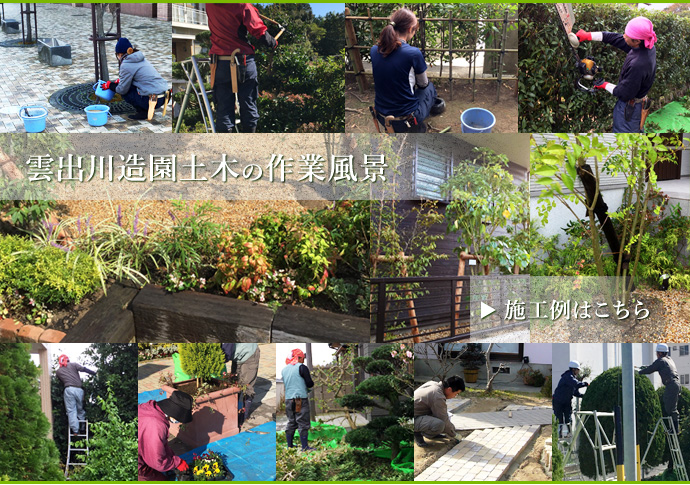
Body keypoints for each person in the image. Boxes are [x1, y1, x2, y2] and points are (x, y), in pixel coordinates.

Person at [575, 16, 657, 133]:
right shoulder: (647, 46)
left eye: (627, 35)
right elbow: (615, 38)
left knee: (624, 140)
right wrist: (588, 35)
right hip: (636, 105)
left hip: (629, 108)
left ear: (637, 40)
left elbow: (624, 93)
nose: (623, 36)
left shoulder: (638, 65)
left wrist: (604, 85)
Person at [205, 3, 278, 133]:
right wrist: (273, 42)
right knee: (248, 104)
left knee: (224, 109)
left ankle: (225, 149)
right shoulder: (242, 4)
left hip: (219, 64)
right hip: (242, 62)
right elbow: (260, 33)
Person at [370, 8, 443, 133]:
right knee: (430, 88)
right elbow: (423, 84)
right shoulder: (413, 53)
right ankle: (417, 126)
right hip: (404, 121)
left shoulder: (374, 49)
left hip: (382, 116)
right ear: (410, 29)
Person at [103, 37, 169, 120]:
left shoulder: (126, 64)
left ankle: (143, 112)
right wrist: (120, 81)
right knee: (128, 87)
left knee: (125, 92)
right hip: (164, 97)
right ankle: (147, 109)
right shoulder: (141, 58)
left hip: (151, 99)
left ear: (119, 54)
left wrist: (110, 85)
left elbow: (122, 89)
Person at [138, 390, 194, 480]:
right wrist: (176, 463)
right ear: (174, 415)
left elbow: (160, 445)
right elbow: (156, 461)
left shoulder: (149, 407)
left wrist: (173, 458)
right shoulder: (156, 426)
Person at [639, 343, 681, 434]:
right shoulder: (669, 359)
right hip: (675, 384)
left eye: (657, 353)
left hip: (671, 385)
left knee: (670, 407)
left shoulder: (661, 361)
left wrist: (639, 372)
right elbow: (653, 367)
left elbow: (651, 369)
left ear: (660, 353)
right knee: (669, 404)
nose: (656, 355)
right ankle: (673, 428)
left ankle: (674, 429)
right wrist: (644, 368)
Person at [413, 375, 465, 447]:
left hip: (416, 413)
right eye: (456, 394)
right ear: (449, 389)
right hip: (410, 419)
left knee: (444, 416)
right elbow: (443, 419)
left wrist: (451, 428)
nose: (455, 396)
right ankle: (417, 433)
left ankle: (426, 431)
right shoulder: (437, 396)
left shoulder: (433, 383)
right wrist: (455, 434)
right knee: (439, 424)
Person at [281, 348, 315, 451]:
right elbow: (309, 383)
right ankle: (304, 447)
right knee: (303, 422)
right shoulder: (302, 368)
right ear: (298, 358)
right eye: (303, 358)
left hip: (288, 399)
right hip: (299, 400)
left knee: (292, 422)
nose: (303, 360)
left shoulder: (284, 370)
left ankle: (290, 446)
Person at [55, 354, 96, 436]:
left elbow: (60, 381)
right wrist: (94, 373)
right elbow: (83, 369)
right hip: (79, 390)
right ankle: (82, 427)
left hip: (69, 389)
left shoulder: (59, 371)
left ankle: (75, 431)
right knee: (80, 409)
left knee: (71, 410)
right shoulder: (74, 365)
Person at [221, 343, 260, 424]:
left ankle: (243, 417)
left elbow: (225, 354)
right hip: (237, 355)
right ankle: (234, 411)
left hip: (249, 353)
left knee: (247, 386)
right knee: (235, 383)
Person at [553, 360, 589, 438]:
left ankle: (568, 434)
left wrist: (584, 396)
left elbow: (575, 393)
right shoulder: (568, 376)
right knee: (560, 418)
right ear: (573, 369)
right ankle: (559, 435)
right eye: (578, 370)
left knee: (568, 418)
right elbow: (576, 384)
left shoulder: (573, 378)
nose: (578, 372)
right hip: (558, 401)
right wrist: (585, 384)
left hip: (566, 401)